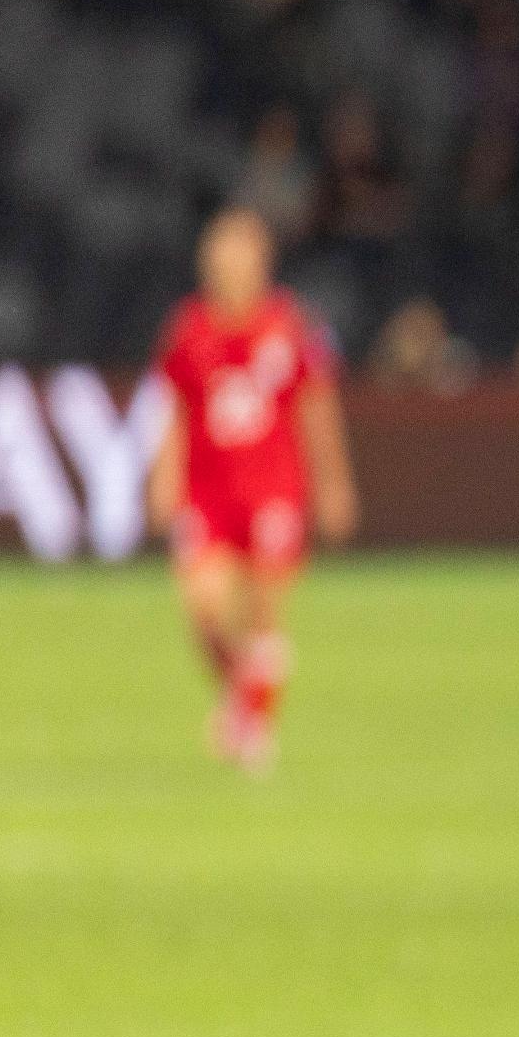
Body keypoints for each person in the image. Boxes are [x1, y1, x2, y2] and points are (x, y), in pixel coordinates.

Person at [148, 208, 356, 773]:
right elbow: (175, 409)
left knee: (263, 610)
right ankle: (243, 695)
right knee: (204, 609)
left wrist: (334, 482)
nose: (229, 266)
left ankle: (254, 727)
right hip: (208, 491)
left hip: (273, 490)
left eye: (240, 255)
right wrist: (164, 476)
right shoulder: (188, 328)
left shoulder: (291, 325)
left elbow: (317, 407)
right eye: (220, 255)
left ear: (262, 262)